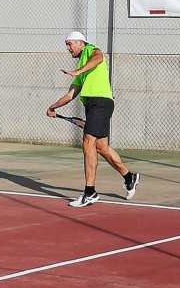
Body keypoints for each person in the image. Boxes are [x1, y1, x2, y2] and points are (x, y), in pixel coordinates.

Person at [47, 31, 140, 208]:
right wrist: (53, 107)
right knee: (101, 147)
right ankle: (129, 177)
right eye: (66, 44)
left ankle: (90, 192)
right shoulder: (83, 68)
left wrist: (78, 70)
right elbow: (70, 94)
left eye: (70, 44)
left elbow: (99, 57)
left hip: (101, 102)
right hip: (92, 105)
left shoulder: (90, 51)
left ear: (81, 43)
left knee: (87, 142)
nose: (68, 48)